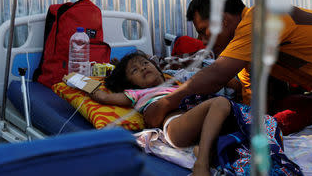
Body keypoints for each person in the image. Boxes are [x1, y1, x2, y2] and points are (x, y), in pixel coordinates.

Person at [144, 0, 312, 131]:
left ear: (222, 21)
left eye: (203, 31)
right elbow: (253, 108)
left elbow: (216, 75)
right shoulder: (246, 58)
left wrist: (168, 101)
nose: (202, 41)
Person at [90, 51, 301, 176]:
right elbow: (104, 97)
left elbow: (223, 82)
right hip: (175, 124)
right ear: (129, 83)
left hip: (200, 119)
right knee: (220, 103)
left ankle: (205, 152)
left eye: (145, 63)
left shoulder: (177, 82)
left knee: (264, 121)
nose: (143, 68)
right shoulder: (135, 93)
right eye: (134, 70)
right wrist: (77, 81)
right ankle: (201, 166)